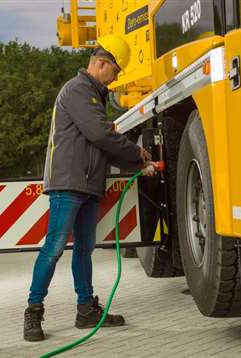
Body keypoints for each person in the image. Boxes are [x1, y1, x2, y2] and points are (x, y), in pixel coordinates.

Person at [23, 34, 156, 342]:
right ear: (100, 64)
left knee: (84, 250)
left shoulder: (92, 96)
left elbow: (103, 145)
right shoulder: (78, 90)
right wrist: (137, 153)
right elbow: (100, 135)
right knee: (54, 248)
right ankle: (33, 310)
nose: (117, 77)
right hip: (68, 184)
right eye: (116, 70)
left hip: (87, 186)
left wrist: (139, 166)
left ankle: (86, 310)